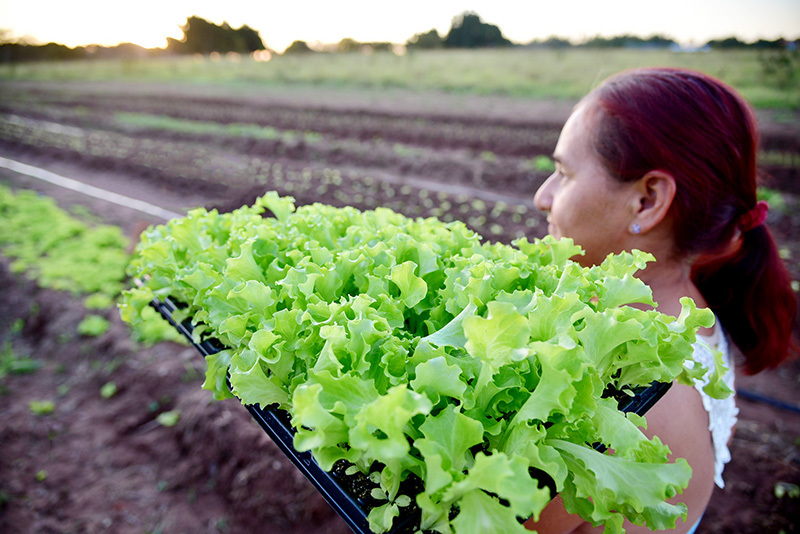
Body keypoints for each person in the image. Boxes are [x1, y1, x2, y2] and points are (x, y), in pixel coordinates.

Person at [523, 67, 797, 533]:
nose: (541, 197)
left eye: (564, 173)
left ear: (648, 200)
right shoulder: (693, 317)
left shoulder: (626, 401)